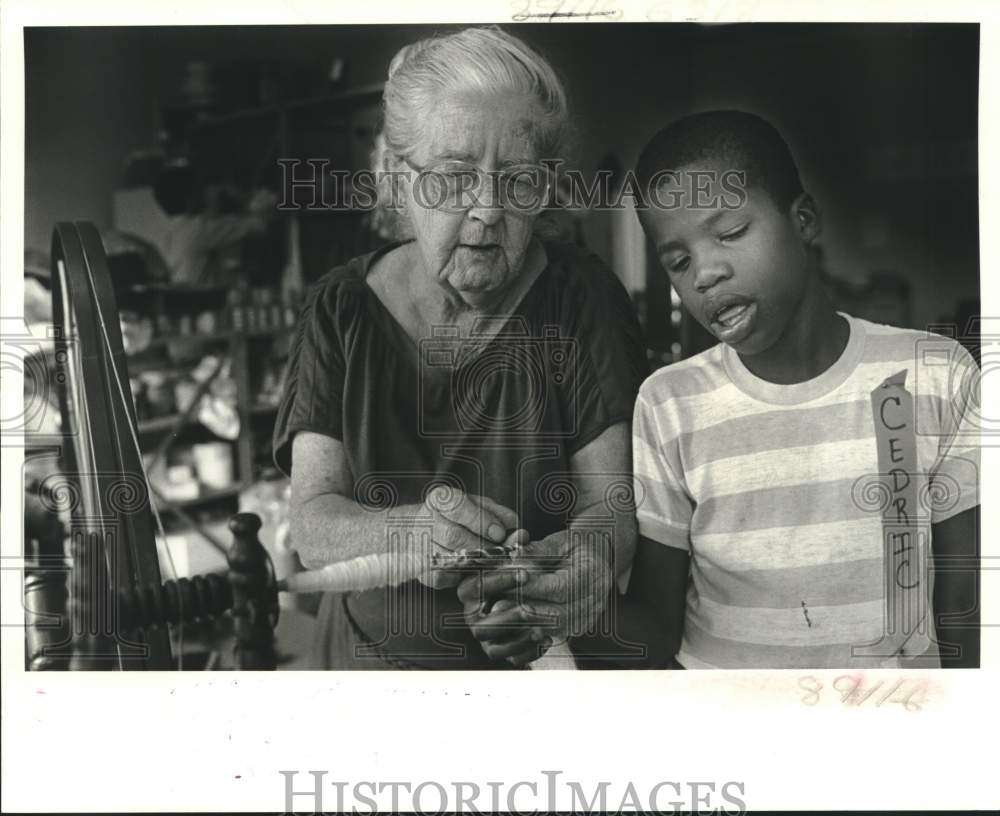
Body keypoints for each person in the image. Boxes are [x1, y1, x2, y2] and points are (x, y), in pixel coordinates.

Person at [272, 27, 647, 669]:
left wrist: (587, 561)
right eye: (453, 177)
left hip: (539, 669)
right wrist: (410, 530)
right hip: (366, 668)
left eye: (520, 180)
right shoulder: (338, 309)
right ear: (394, 175)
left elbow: (613, 506)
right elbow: (311, 524)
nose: (489, 208)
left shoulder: (583, 300)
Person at [628, 110, 980, 669]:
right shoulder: (669, 402)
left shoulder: (933, 372)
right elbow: (655, 621)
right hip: (730, 735)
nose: (705, 274)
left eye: (731, 233)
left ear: (804, 220)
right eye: (678, 260)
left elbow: (965, 607)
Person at [152, 159, 277, 286]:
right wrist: (247, 202)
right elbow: (260, 225)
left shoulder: (169, 231)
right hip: (204, 302)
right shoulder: (198, 230)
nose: (204, 193)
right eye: (199, 189)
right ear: (190, 198)